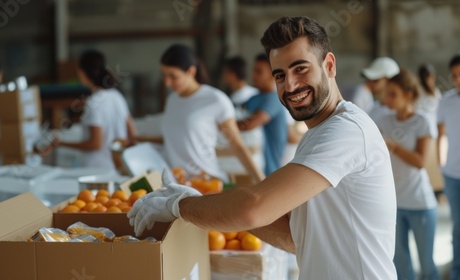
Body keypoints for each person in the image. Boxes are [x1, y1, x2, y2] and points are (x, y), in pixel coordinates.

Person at [128, 16, 397, 279]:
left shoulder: (347, 130)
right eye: (280, 75)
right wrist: (203, 200)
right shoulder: (315, 134)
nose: (290, 85)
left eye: (300, 68)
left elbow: (253, 208)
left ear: (329, 65)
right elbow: (294, 237)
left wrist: (181, 205)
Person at [159, 44, 264, 183]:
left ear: (190, 71)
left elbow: (237, 145)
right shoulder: (172, 101)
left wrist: (261, 180)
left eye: (173, 76)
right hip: (177, 184)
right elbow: (175, 138)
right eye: (164, 75)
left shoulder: (215, 100)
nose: (167, 82)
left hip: (208, 184)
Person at [377, 68, 439, 280]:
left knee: (428, 266)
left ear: (409, 96)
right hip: (394, 204)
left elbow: (420, 161)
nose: (387, 99)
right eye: (387, 93)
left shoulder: (422, 121)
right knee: (400, 266)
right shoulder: (384, 121)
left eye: (393, 94)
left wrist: (393, 146)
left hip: (420, 203)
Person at [55, 50, 137, 169]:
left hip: (96, 169)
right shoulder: (117, 96)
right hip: (118, 167)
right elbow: (132, 134)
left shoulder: (93, 103)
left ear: (82, 73)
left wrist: (61, 143)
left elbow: (95, 144)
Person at [238, 54, 288, 175]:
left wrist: (224, 125)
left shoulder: (273, 99)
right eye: (254, 71)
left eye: (259, 72)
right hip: (250, 171)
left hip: (267, 173)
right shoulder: (253, 99)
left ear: (273, 75)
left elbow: (248, 124)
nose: (253, 76)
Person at [437, 53, 460, 280]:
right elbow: (441, 135)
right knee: (458, 228)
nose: (458, 79)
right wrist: (441, 165)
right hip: (453, 175)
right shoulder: (446, 101)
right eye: (454, 75)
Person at [416, 63, 444, 193]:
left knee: (429, 166)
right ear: (431, 76)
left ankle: (433, 191)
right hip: (428, 134)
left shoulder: (432, 92)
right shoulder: (422, 92)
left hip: (428, 134)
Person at [362, 57, 400, 124]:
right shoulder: (374, 108)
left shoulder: (398, 113)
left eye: (375, 80)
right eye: (369, 79)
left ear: (390, 81)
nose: (370, 83)